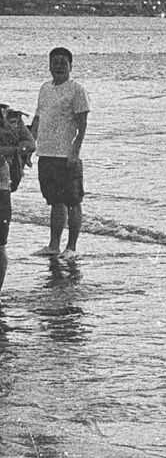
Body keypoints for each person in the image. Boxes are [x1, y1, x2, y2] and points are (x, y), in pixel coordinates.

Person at [30, 47, 90, 260]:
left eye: (63, 62)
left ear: (71, 65)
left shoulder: (77, 89)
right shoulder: (45, 88)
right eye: (54, 62)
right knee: (55, 201)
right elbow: (38, 119)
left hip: (66, 155)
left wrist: (75, 152)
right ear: (49, 65)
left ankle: (71, 247)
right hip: (45, 153)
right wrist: (29, 145)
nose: (58, 66)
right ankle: (53, 246)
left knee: (73, 201)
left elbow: (82, 125)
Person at [0, 104, 36, 294]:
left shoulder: (10, 117)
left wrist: (11, 151)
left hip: (3, 187)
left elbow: (31, 144)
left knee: (0, 246)